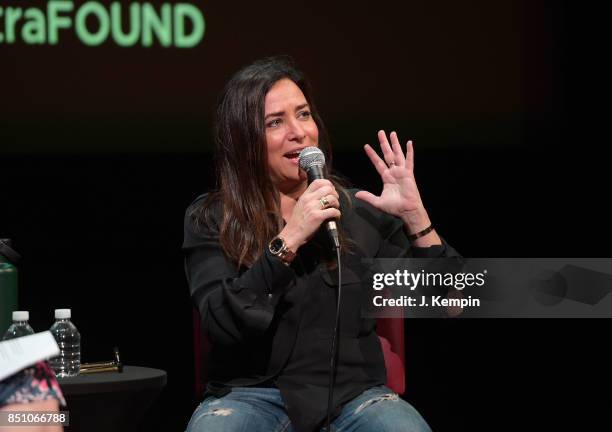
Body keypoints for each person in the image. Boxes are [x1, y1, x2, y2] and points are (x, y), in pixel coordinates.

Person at [183, 56, 460, 432]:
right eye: (275, 122)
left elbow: (452, 305)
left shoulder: (360, 212)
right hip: (251, 396)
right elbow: (221, 322)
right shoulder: (213, 218)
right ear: (244, 140)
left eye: (304, 114)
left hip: (355, 397)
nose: (298, 132)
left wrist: (416, 218)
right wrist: (290, 238)